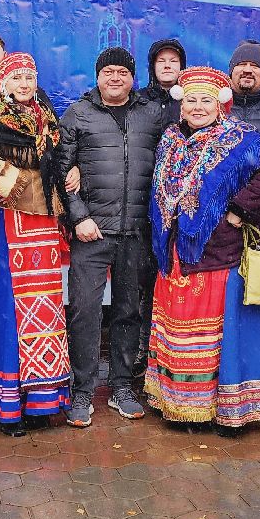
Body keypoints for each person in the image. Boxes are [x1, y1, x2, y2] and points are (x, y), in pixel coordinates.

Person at [146, 67, 260, 435]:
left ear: (220, 104)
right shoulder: (170, 140)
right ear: (181, 105)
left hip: (218, 252)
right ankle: (182, 405)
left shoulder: (238, 138)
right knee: (181, 329)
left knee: (222, 331)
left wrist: (240, 209)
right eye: (191, 100)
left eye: (205, 101)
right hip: (176, 252)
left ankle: (228, 410)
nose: (197, 107)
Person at [0, 53, 71, 436]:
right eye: (16, 77)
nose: (24, 84)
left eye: (29, 77)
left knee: (45, 309)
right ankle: (8, 406)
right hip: (9, 221)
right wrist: (12, 181)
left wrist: (71, 173)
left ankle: (42, 400)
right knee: (9, 309)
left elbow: (56, 159)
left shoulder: (45, 119)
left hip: (44, 223)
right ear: (3, 83)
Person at [56, 46, 168, 427]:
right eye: (109, 72)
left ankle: (122, 386)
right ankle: (83, 389)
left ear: (133, 77)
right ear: (98, 76)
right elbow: (61, 169)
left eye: (123, 71)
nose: (115, 78)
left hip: (137, 230)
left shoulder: (151, 114)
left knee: (128, 311)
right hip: (91, 232)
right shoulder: (78, 113)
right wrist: (78, 217)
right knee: (85, 310)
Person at [227, 39, 260, 136]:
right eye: (242, 64)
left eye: (255, 66)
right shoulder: (215, 106)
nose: (247, 70)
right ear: (231, 71)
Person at [140, 38, 186, 121]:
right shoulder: (138, 99)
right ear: (153, 67)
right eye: (161, 61)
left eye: (173, 61)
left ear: (181, 66)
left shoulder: (191, 99)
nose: (167, 65)